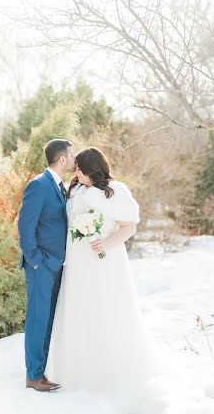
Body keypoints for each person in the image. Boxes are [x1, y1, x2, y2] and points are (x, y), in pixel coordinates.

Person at [45, 147, 155, 395]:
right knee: (79, 308)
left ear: (93, 169)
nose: (77, 172)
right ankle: (76, 368)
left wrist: (105, 243)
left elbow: (129, 227)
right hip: (78, 261)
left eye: (81, 169)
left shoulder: (116, 191)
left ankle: (110, 368)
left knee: (105, 308)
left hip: (106, 260)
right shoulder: (75, 190)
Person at [18, 138, 76, 392]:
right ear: (62, 158)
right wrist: (36, 262)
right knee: (38, 319)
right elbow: (25, 226)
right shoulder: (39, 185)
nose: (75, 159)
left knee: (48, 319)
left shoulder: (60, 185)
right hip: (41, 266)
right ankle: (33, 376)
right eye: (72, 155)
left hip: (56, 265)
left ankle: (40, 371)